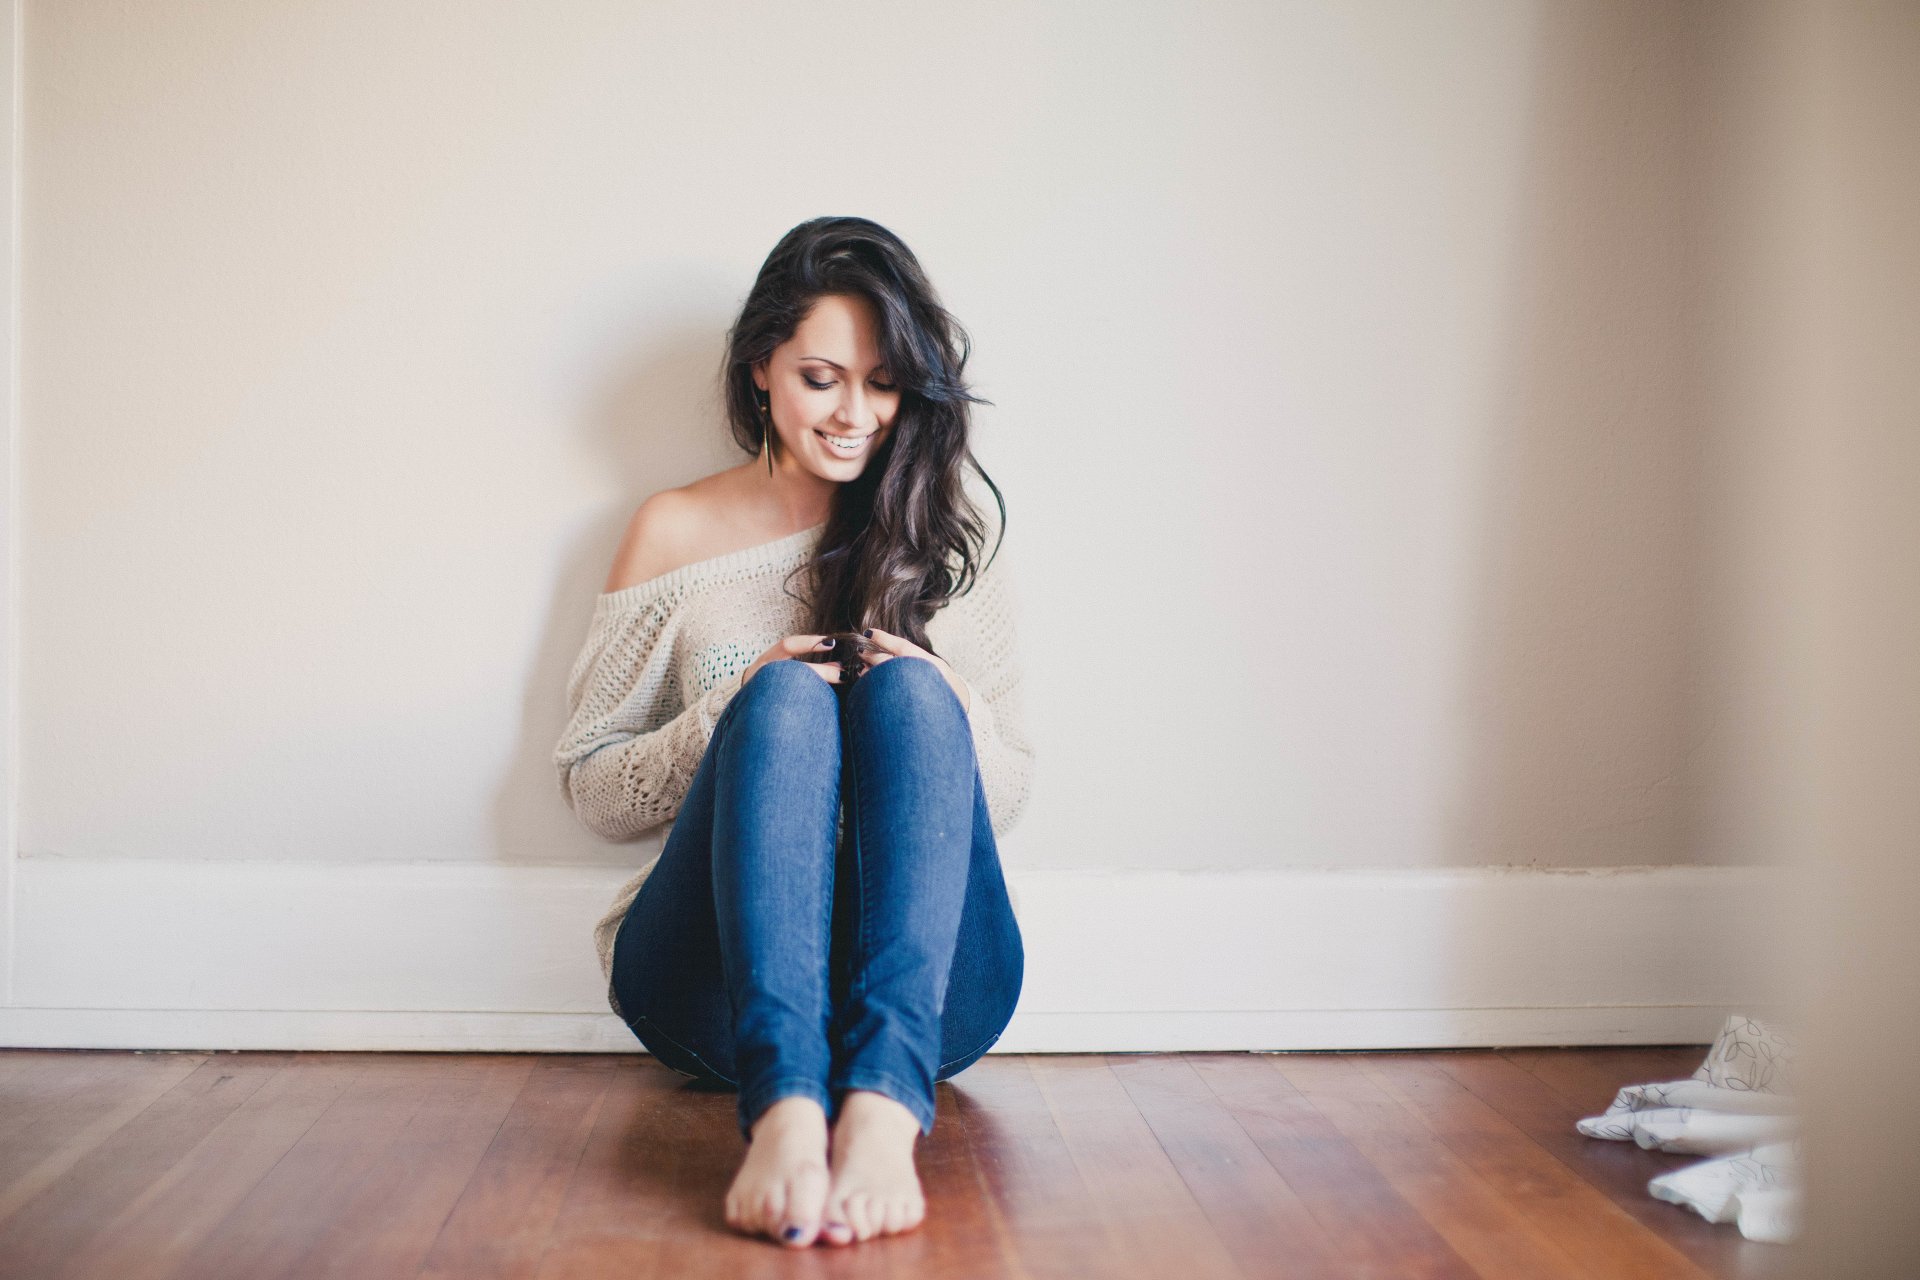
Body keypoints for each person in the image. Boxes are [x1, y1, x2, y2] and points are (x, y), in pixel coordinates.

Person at [552, 216, 1034, 1249]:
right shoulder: (672, 532)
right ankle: (782, 1111)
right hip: (714, 992)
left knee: (914, 695)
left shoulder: (947, 535)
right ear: (761, 366)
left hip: (931, 1000)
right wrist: (733, 704)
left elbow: (1010, 796)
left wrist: (951, 701)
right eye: (822, 378)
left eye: (884, 383)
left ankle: (884, 1110)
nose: (856, 414)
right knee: (781, 698)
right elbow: (592, 787)